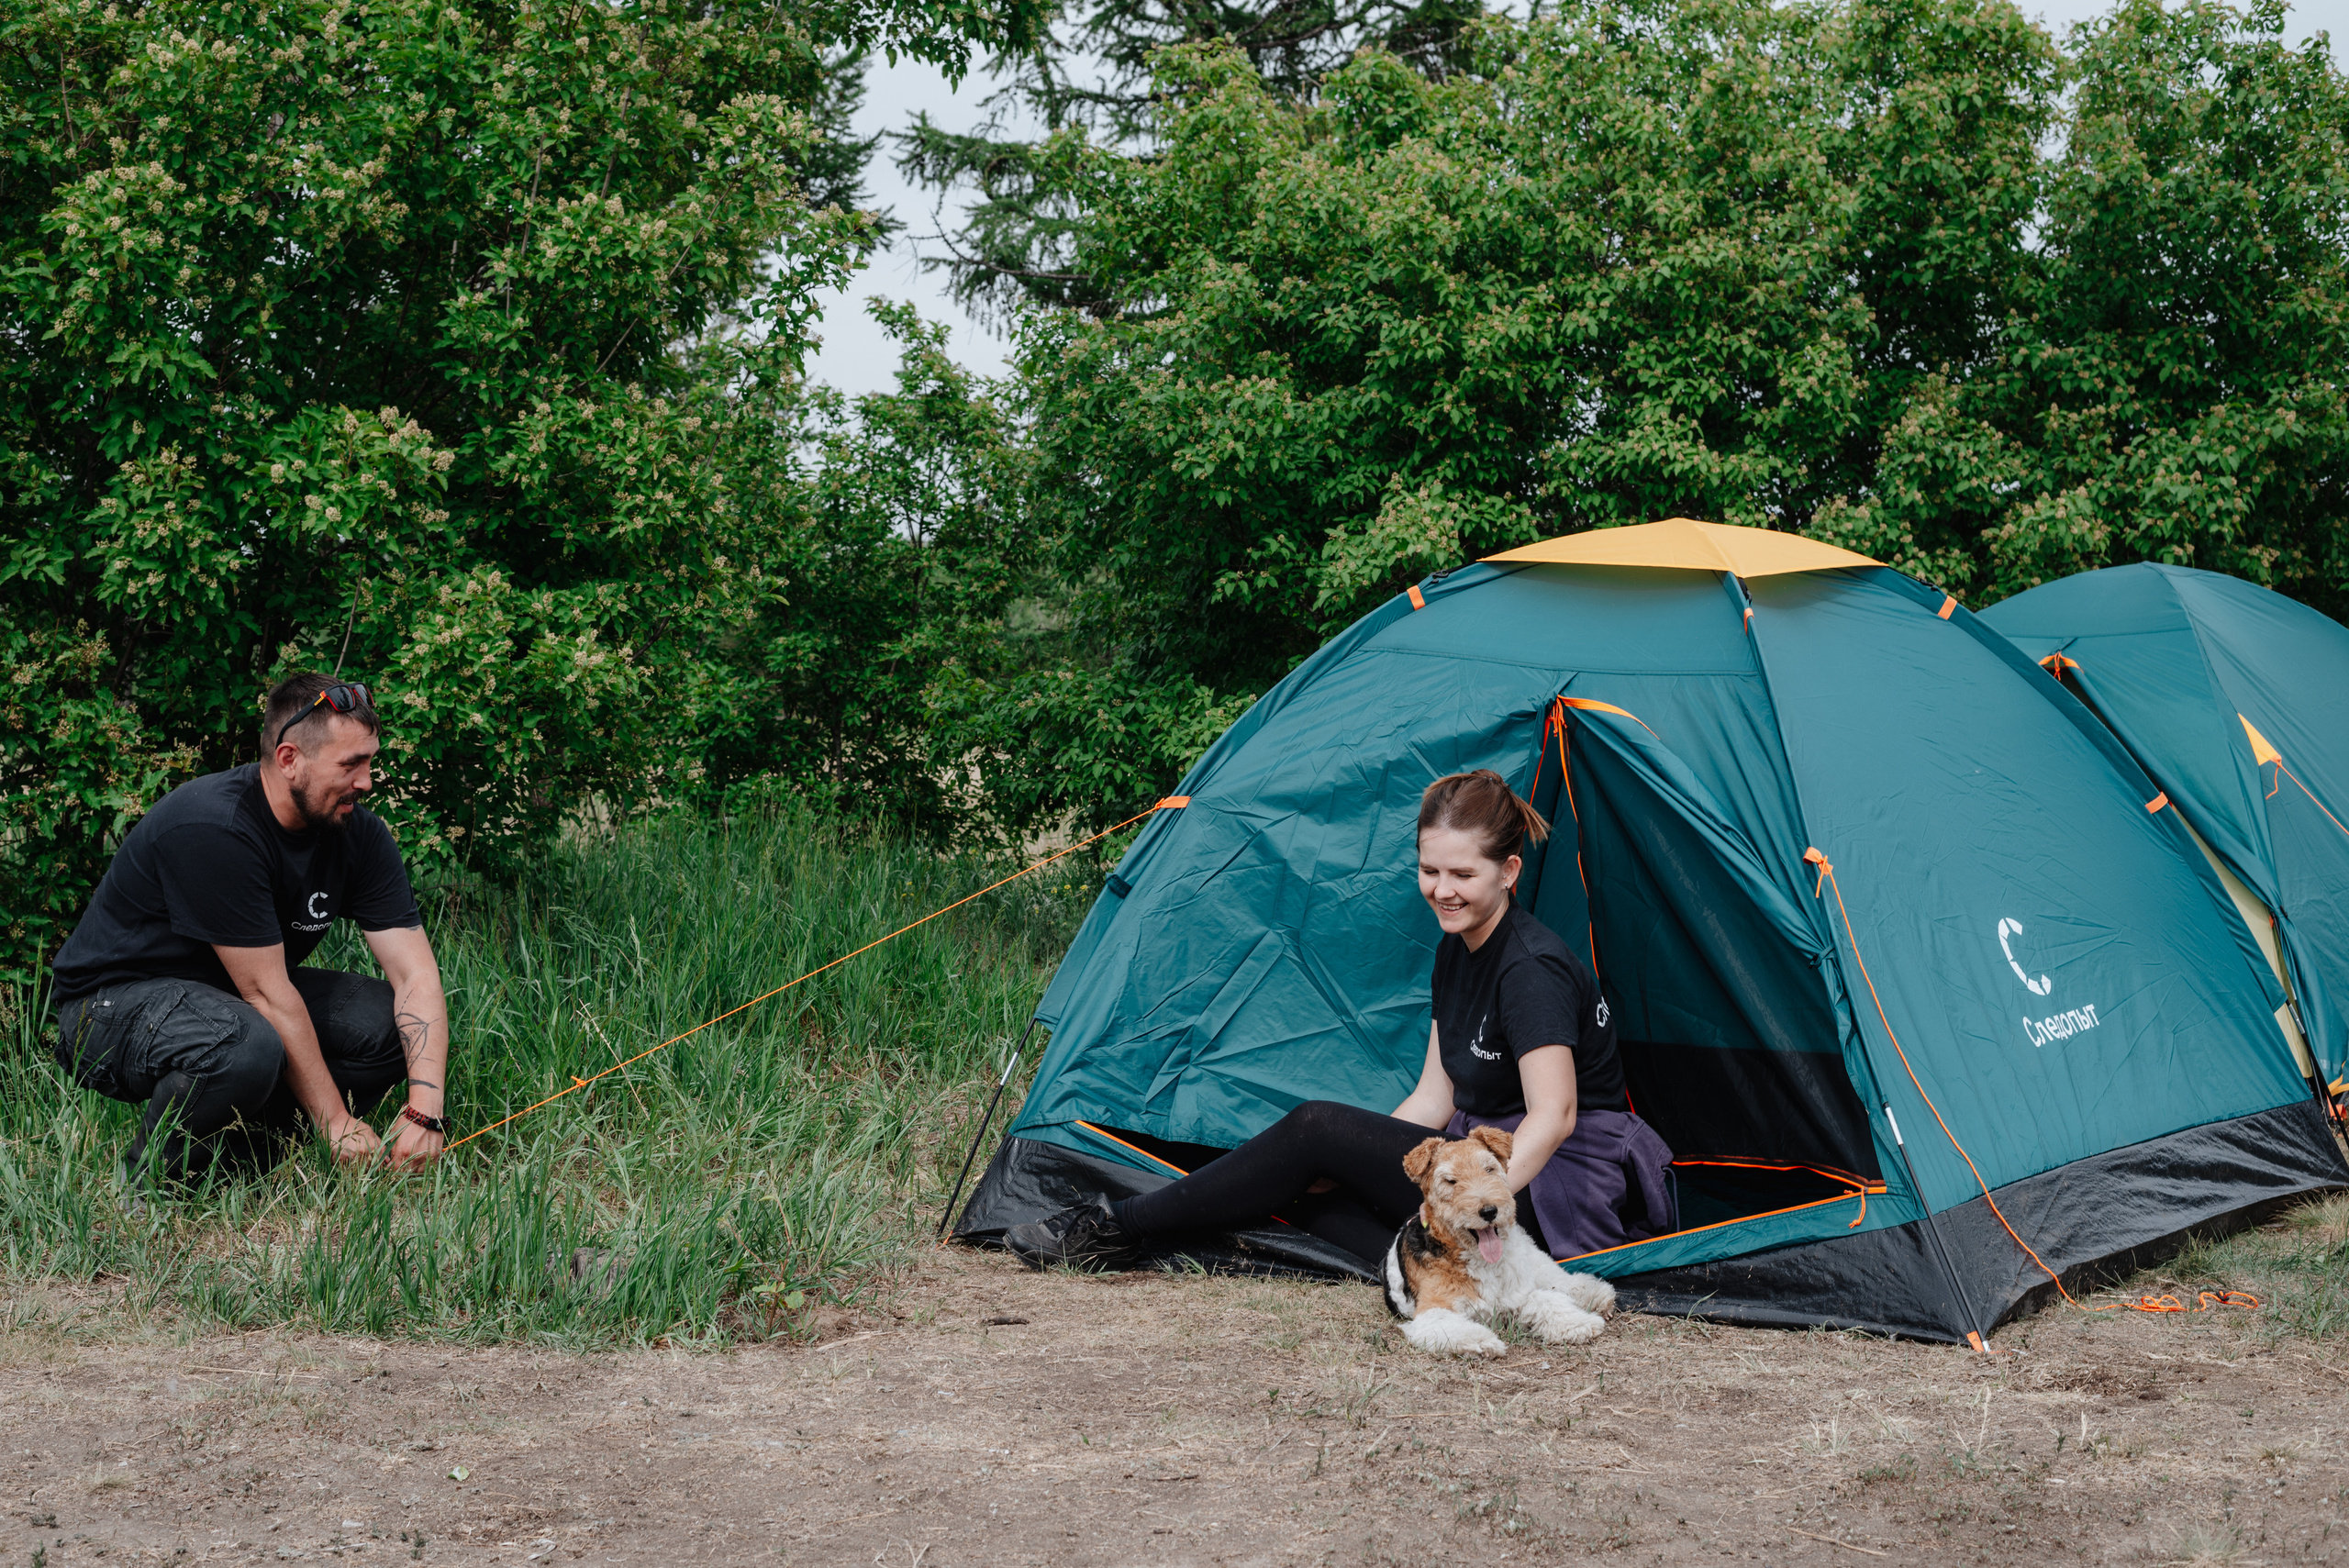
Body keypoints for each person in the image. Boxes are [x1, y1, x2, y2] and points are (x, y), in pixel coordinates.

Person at [1006, 769, 1674, 1272]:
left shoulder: (1529, 967)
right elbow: (1435, 1097)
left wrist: (1474, 1206)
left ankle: (1114, 1228)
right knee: (1304, 1187)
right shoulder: (1456, 948)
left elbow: (1553, 1116)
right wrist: (1357, 1164)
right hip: (1469, 1160)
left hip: (1552, 1181)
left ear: (1509, 870)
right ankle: (1447, 1273)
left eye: (1462, 874)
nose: (1442, 889)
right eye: (1428, 868)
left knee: (1315, 1127)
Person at [50, 673, 452, 1184]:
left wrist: (425, 1111)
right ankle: (150, 1181)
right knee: (245, 1041)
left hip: (224, 1000)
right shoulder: (216, 826)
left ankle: (247, 1162)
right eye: (351, 764)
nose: (367, 781)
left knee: (381, 1024)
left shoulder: (356, 833)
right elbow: (265, 995)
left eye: (370, 760)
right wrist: (334, 1120)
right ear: (289, 760)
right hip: (106, 1008)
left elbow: (416, 976)